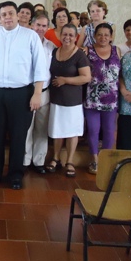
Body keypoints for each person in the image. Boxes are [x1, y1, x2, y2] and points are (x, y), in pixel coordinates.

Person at [0, 1, 48, 190]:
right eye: (3, 14)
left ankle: (16, 175)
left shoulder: (30, 36)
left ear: (18, 15)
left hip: (22, 93)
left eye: (11, 13)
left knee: (19, 136)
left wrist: (36, 94)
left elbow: (40, 67)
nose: (8, 17)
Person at [47, 24, 91, 178]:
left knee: (72, 131)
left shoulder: (79, 55)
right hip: (55, 98)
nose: (67, 37)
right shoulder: (54, 52)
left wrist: (65, 80)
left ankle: (70, 161)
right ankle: (56, 158)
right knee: (57, 129)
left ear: (76, 37)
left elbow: (86, 77)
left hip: (72, 100)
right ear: (60, 35)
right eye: (65, 34)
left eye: (71, 35)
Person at [84, 23, 121, 174]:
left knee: (110, 130)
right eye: (100, 34)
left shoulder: (116, 50)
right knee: (93, 129)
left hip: (111, 99)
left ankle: (106, 159)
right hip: (92, 98)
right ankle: (94, 159)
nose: (103, 37)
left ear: (111, 36)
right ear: (94, 36)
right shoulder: (88, 50)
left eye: (106, 34)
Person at [24, 12, 54, 174]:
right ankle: (25, 160)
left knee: (41, 128)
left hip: (45, 92)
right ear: (31, 25)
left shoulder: (51, 47)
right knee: (26, 127)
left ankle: (39, 161)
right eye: (38, 25)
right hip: (27, 91)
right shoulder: (23, 43)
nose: (41, 29)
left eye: (44, 26)